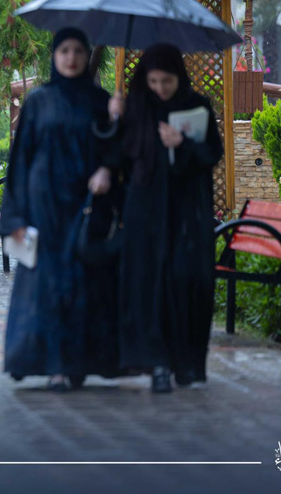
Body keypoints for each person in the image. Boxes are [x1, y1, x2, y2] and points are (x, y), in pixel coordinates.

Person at [0, 28, 122, 391]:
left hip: (85, 207)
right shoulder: (38, 101)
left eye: (78, 51)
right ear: (54, 56)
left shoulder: (100, 101)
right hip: (44, 208)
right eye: (64, 50)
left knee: (83, 285)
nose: (71, 58)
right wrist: (14, 216)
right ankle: (52, 364)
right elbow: (21, 159)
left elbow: (115, 150)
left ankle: (76, 362)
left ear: (86, 56)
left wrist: (116, 130)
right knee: (47, 285)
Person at [113, 43, 224, 394]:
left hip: (186, 214)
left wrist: (182, 143)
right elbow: (117, 156)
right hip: (145, 213)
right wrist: (114, 120)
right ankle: (157, 363)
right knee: (150, 286)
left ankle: (186, 363)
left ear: (180, 77)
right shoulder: (137, 107)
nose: (160, 88)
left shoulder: (196, 105)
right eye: (154, 81)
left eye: (167, 81)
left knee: (186, 285)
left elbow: (212, 154)